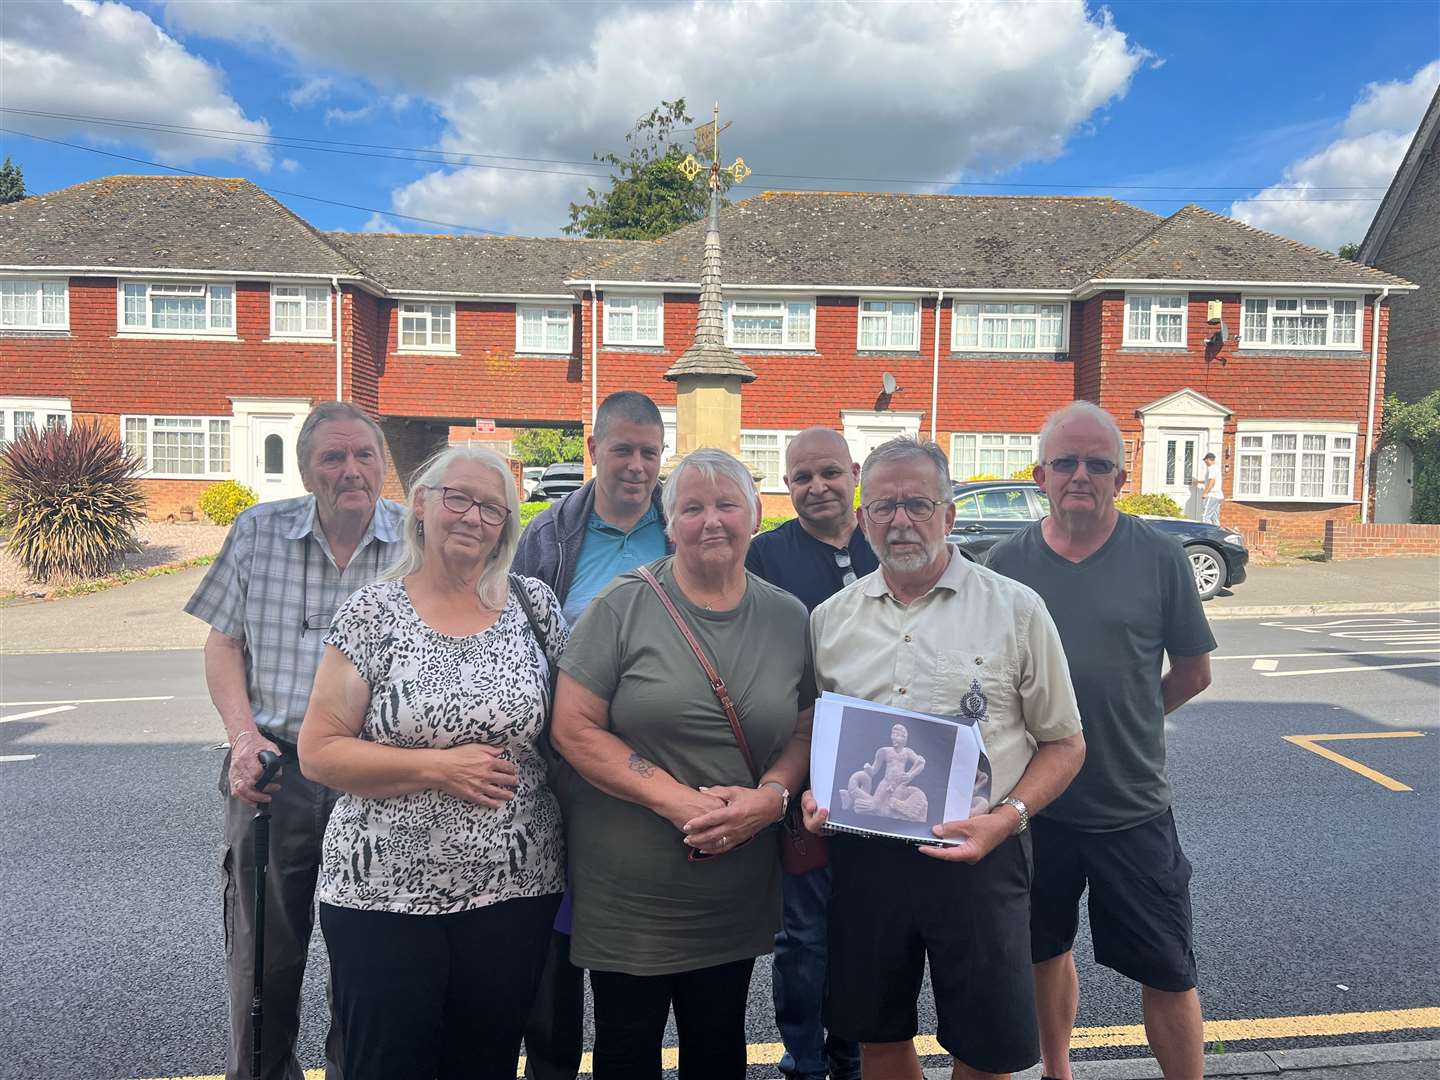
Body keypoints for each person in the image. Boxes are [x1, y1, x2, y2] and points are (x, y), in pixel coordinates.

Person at [800, 437, 1087, 1080]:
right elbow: (820, 737)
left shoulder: (1016, 609)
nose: (900, 521)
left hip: (981, 854)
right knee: (877, 1035)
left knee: (987, 1048)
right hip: (866, 856)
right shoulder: (829, 621)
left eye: (918, 504)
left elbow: (1066, 743)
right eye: (883, 507)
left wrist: (1008, 815)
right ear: (862, 519)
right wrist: (817, 796)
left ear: (949, 515)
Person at [298, 445, 567, 1080]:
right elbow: (319, 750)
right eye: (458, 498)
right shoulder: (374, 612)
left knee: (485, 1062)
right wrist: (439, 769)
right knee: (389, 1065)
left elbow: (574, 729)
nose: (473, 517)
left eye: (492, 508)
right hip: (384, 893)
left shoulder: (535, 607)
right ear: (421, 504)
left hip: (515, 888)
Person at [550, 448, 815, 1080]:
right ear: (670, 525)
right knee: (625, 1044)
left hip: (734, 881)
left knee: (719, 1041)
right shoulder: (621, 607)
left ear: (755, 515)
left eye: (727, 504)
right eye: (692, 508)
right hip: (629, 888)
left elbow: (805, 727)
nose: (711, 521)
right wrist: (679, 801)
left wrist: (771, 798)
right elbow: (573, 727)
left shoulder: (788, 616)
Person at [985, 402, 1215, 1080]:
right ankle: (1059, 1072)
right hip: (1036, 808)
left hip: (1132, 806)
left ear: (1121, 475)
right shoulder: (1005, 564)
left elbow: (1194, 672)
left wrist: (1134, 717)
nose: (1080, 475)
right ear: (1040, 476)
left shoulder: (1160, 557)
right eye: (1066, 462)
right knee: (1041, 952)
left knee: (1168, 969)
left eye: (1097, 464)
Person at [185, 401, 404, 1080]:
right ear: (307, 470)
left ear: (382, 464)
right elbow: (223, 643)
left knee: (367, 955)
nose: (350, 471)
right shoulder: (257, 532)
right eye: (331, 458)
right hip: (274, 763)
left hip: (373, 769)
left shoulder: (414, 539)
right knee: (265, 958)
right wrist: (242, 738)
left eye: (363, 455)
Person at [513, 390, 670, 1080]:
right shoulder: (548, 537)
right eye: (622, 450)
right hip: (561, 765)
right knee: (552, 925)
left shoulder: (683, 522)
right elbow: (515, 640)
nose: (635, 466)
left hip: (657, 766)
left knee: (629, 935)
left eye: (649, 453)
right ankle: (551, 1064)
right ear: (592, 451)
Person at [744, 426, 873, 1080]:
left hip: (886, 774)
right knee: (804, 937)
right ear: (786, 485)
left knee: (867, 931)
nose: (817, 486)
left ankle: (855, 1054)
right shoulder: (764, 556)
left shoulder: (892, 539)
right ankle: (804, 1059)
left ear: (854, 472)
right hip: (806, 771)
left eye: (828, 472)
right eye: (802, 477)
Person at [1194, 452, 1223, 525]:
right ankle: (1217, 534)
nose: (1205, 462)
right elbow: (1209, 481)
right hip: (1218, 496)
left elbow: (1212, 481)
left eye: (1205, 460)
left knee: (1205, 516)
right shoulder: (1216, 468)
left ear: (1209, 459)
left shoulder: (1212, 468)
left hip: (1212, 495)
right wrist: (1199, 482)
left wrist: (1205, 493)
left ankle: (1208, 534)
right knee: (1214, 517)